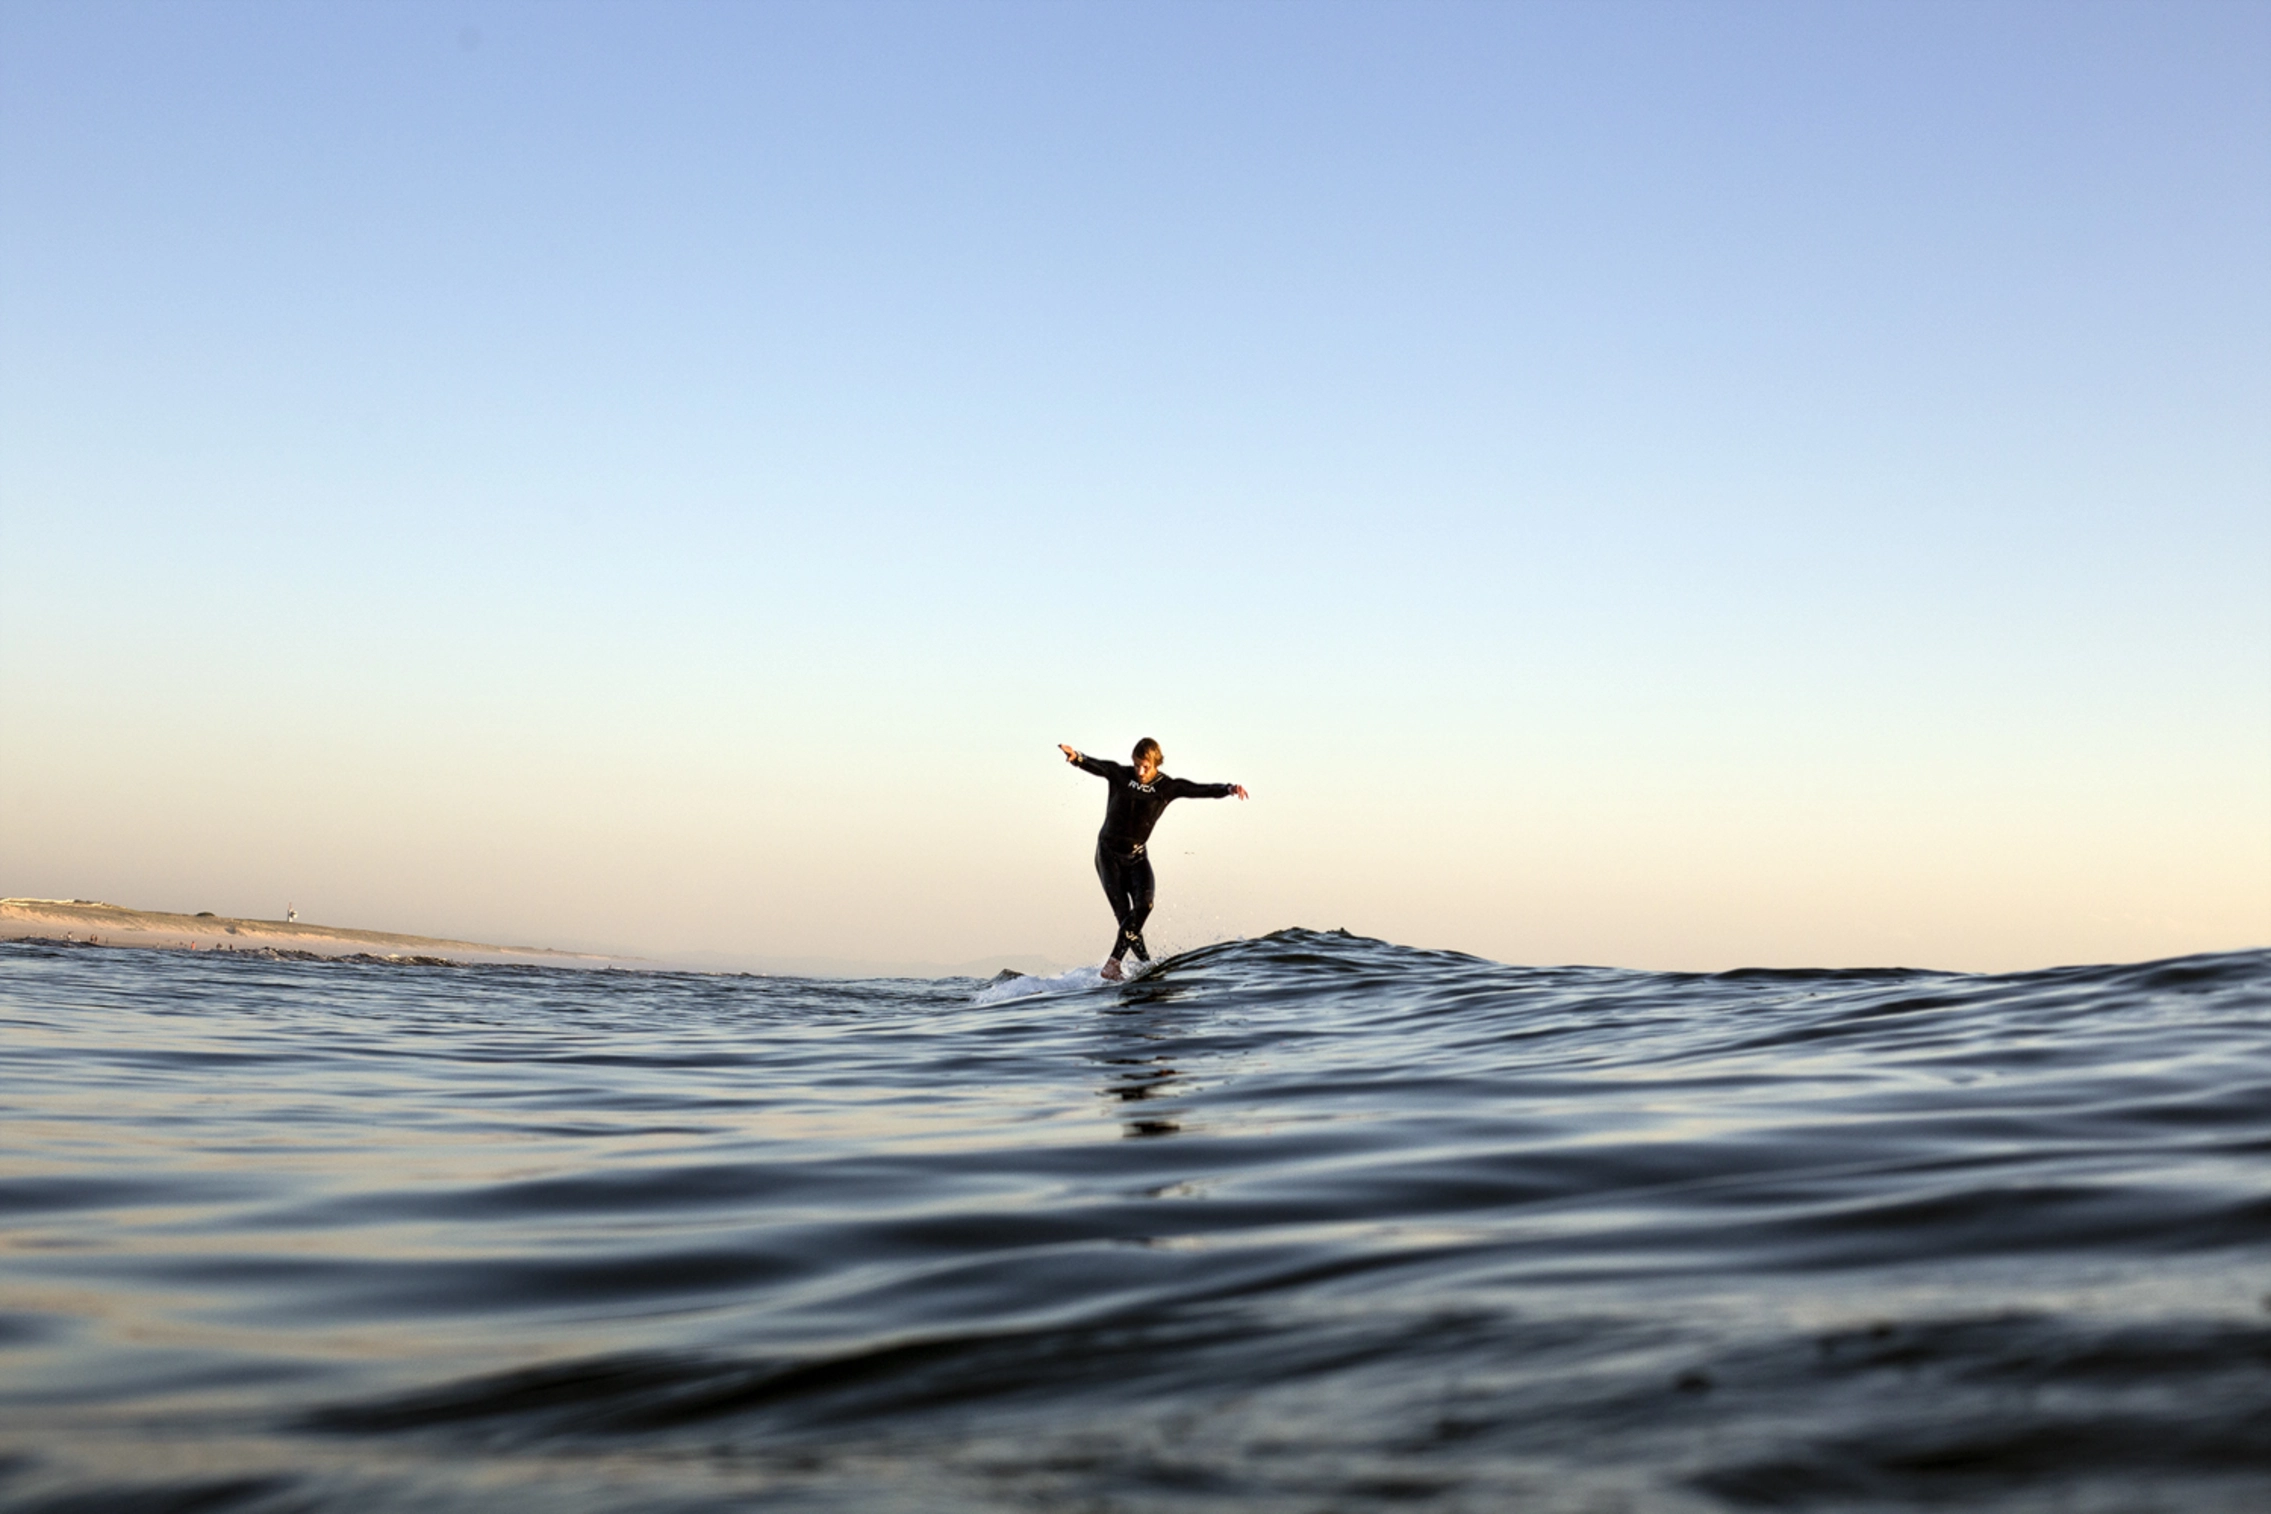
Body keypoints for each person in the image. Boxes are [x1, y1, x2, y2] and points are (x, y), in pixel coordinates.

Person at [1058, 738, 1248, 980]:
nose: (1140, 771)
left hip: (1137, 856)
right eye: (1137, 764)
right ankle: (1124, 965)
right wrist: (1077, 758)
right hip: (1108, 855)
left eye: (1145, 766)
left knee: (1144, 907)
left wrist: (1228, 788)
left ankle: (1136, 967)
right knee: (1124, 914)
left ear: (1156, 764)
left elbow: (1198, 789)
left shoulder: (1166, 787)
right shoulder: (1121, 775)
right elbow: (1099, 766)